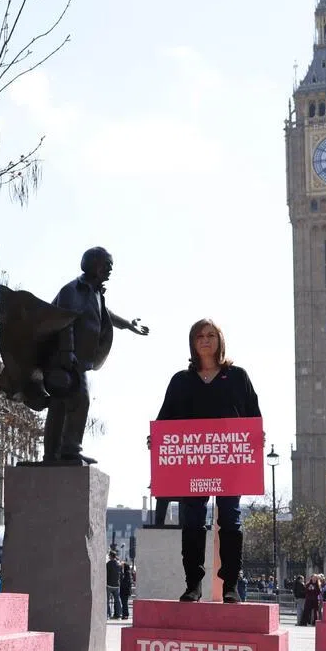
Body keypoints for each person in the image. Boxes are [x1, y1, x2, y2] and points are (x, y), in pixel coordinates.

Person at [156, 318, 261, 603]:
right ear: (193, 342)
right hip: (192, 463)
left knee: (230, 517)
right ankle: (193, 585)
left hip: (230, 461)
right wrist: (156, 440)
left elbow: (254, 415)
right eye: (200, 335)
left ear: (219, 340)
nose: (205, 340)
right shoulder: (181, 380)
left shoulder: (238, 376)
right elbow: (164, 419)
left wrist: (256, 439)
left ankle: (230, 585)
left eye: (211, 335)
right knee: (192, 520)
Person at [42, 247, 149, 464]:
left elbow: (105, 314)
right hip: (66, 359)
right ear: (93, 264)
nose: (110, 270)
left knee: (60, 406)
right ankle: (70, 451)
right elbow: (65, 320)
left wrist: (128, 325)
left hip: (77, 360)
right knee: (80, 400)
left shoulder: (94, 293)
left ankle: (53, 455)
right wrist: (67, 352)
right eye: (107, 264)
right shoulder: (73, 290)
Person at [105, 549, 121, 618]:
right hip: (116, 585)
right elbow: (121, 574)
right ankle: (117, 614)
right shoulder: (118, 564)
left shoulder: (108, 564)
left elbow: (106, 574)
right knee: (117, 600)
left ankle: (107, 614)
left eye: (109, 556)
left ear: (111, 556)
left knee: (107, 600)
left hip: (109, 585)